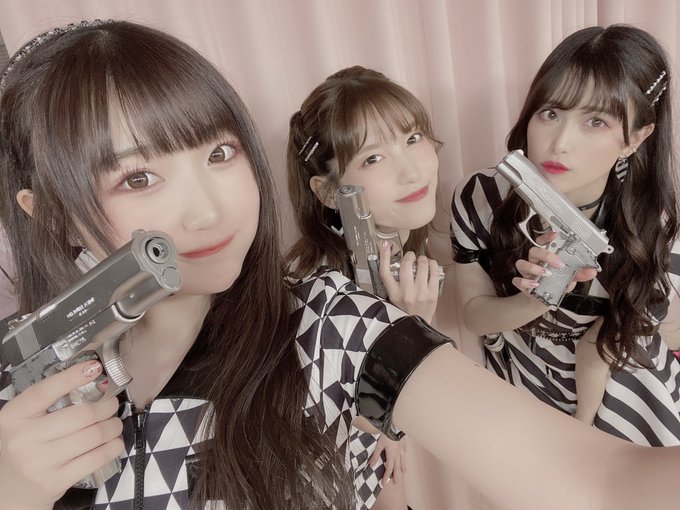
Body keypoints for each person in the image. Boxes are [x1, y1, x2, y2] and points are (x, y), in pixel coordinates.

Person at [0, 19, 679, 510]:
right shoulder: (21, 371)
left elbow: (600, 481)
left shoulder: (330, 322)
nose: (209, 212)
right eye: (139, 179)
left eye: (220, 154)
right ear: (50, 213)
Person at [451, 24, 680, 444]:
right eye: (551, 113)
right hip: (520, 390)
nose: (559, 143)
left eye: (595, 121)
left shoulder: (655, 229)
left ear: (635, 138)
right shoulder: (481, 197)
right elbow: (474, 315)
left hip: (622, 399)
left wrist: (579, 436)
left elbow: (600, 352)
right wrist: (534, 299)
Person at [286, 65, 442, 509]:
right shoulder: (320, 290)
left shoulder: (390, 239)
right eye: (373, 158)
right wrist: (413, 325)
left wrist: (392, 429)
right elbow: (325, 425)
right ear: (328, 192)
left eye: (413, 138)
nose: (411, 171)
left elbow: (380, 433)